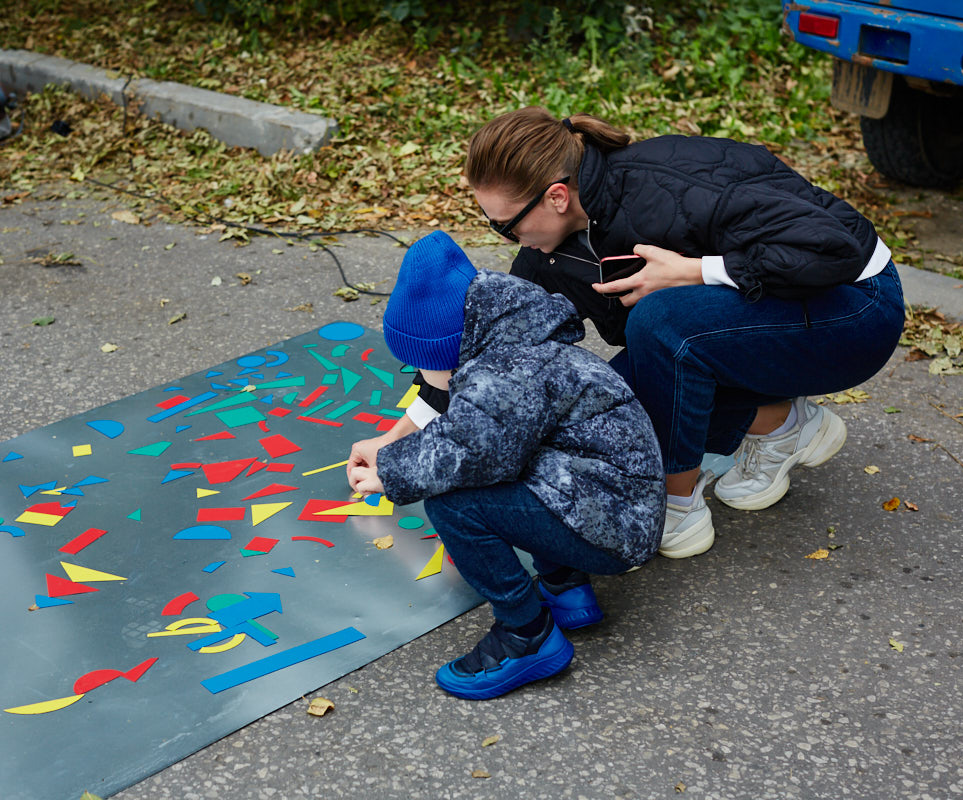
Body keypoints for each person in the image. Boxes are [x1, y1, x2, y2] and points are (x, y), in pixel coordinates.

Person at [460, 106, 905, 559]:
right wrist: (410, 437)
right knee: (607, 411)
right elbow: (502, 352)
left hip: (856, 307)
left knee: (660, 322)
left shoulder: (667, 188)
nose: (505, 238)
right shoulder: (547, 252)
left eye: (506, 225)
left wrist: (697, 271)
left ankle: (675, 506)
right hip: (774, 309)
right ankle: (781, 424)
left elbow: (833, 251)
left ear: (556, 196)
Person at [345, 230, 665, 701]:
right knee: (520, 465)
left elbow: (468, 452)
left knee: (455, 505)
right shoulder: (512, 335)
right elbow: (479, 433)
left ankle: (526, 635)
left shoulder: (504, 372)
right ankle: (566, 588)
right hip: (610, 502)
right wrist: (393, 442)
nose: (423, 378)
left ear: (446, 350)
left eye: (420, 365)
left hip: (614, 525)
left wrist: (389, 471)